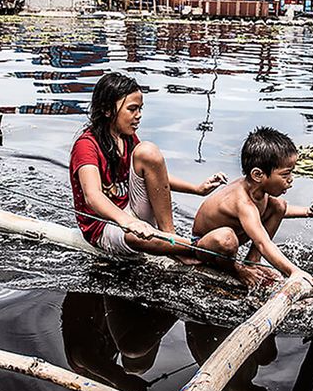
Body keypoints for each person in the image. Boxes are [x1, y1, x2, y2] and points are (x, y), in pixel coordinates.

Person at [70, 72, 226, 258]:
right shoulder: (86, 145)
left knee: (148, 151)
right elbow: (92, 196)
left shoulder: (128, 138)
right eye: (132, 109)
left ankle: (171, 238)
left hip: (131, 211)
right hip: (104, 225)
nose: (139, 116)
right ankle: (196, 247)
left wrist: (197, 189)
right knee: (136, 237)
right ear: (107, 110)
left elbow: (155, 177)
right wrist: (128, 222)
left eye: (140, 109)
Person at [191, 126, 313, 286]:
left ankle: (252, 262)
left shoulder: (259, 192)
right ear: (258, 175)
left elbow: (282, 210)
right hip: (204, 247)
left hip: (230, 242)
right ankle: (237, 269)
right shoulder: (243, 202)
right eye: (285, 174)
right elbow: (263, 243)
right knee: (226, 238)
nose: (291, 179)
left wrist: (308, 211)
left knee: (279, 205)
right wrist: (293, 271)